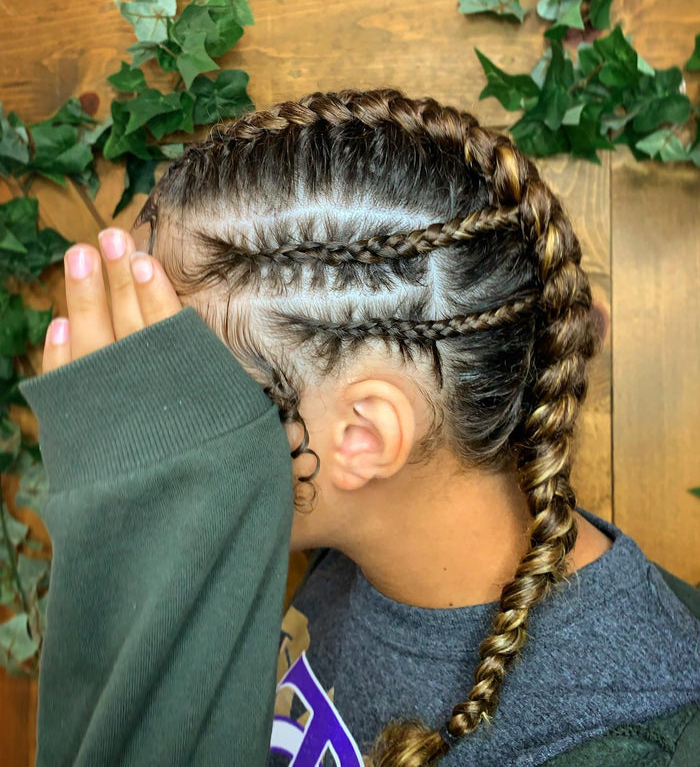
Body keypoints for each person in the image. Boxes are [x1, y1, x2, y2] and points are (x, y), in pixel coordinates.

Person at [19, 87, 700, 767]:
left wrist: (128, 536)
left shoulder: (622, 739)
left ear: (362, 437)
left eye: (182, 382)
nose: (142, 408)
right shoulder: (363, 525)